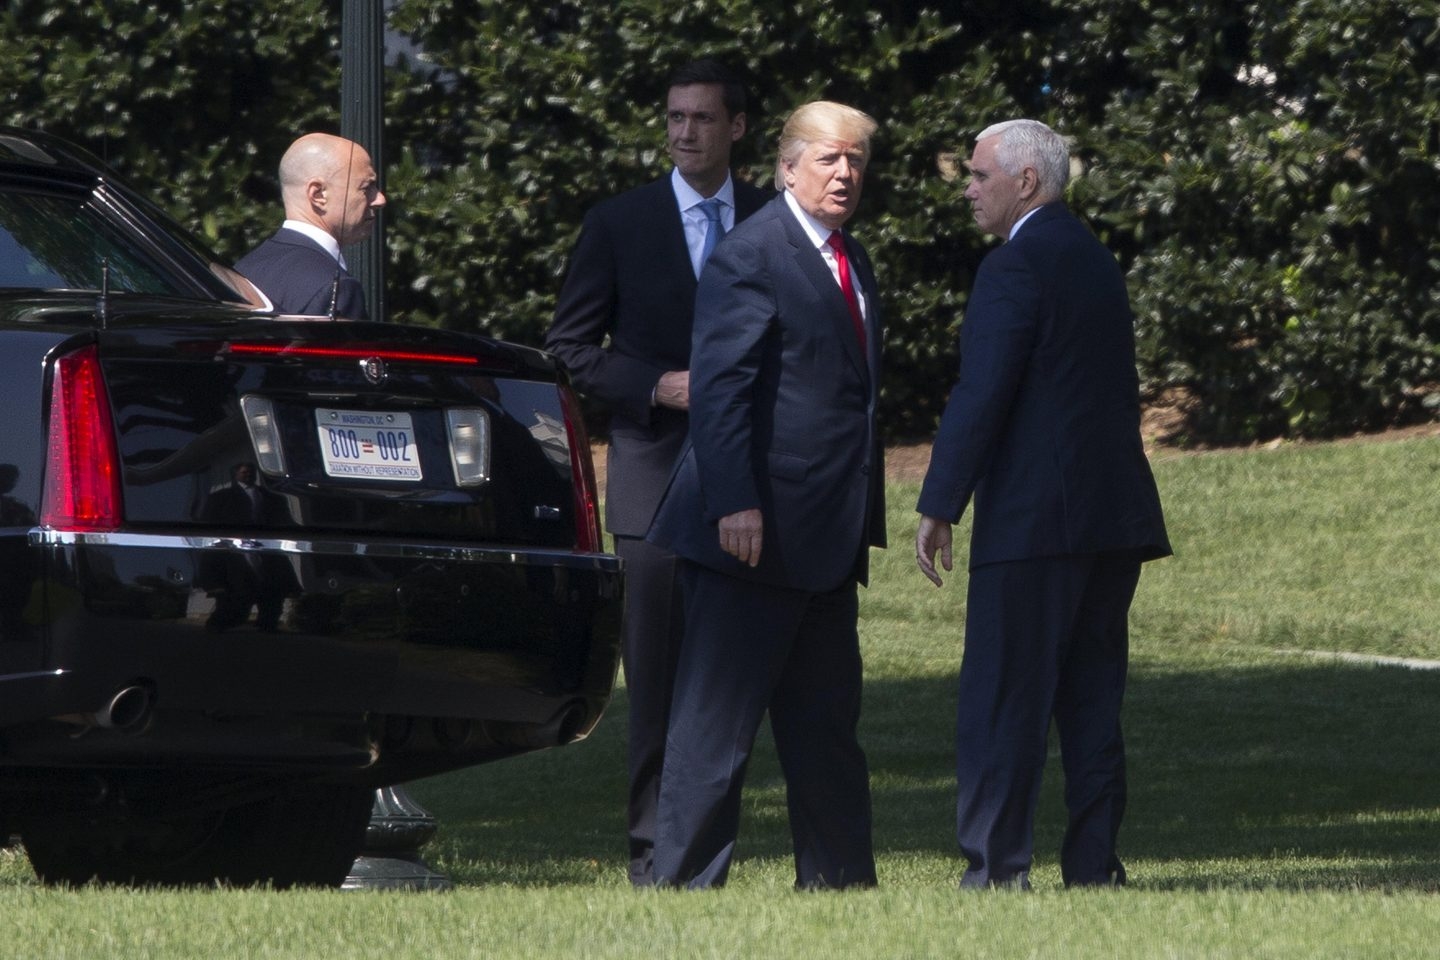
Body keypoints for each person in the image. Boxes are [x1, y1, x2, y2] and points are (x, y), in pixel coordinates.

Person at [914, 119, 1172, 889]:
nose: (967, 186)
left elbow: (982, 392)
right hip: (1111, 521)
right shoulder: (1095, 260)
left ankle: (995, 872)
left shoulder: (1015, 266)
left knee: (1003, 701)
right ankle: (1094, 867)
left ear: (1026, 181)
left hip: (1034, 523)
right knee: (1092, 704)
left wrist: (940, 502)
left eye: (980, 173)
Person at [647, 100, 886, 890]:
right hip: (749, 534)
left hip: (824, 538)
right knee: (714, 739)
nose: (844, 173)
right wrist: (734, 502)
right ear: (787, 167)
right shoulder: (753, 253)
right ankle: (682, 891)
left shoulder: (853, 262)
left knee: (827, 737)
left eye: (855, 160)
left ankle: (843, 891)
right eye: (827, 159)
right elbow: (722, 391)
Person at [544, 59, 769, 887]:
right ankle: (652, 858)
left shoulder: (775, 221)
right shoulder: (620, 224)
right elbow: (567, 350)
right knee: (659, 689)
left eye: (702, 119)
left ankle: (711, 854)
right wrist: (658, 384)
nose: (684, 132)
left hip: (754, 487)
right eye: (674, 117)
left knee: (735, 688)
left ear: (737, 127)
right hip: (651, 483)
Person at [235, 132, 385, 318]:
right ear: (318, 195)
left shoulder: (241, 271)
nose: (380, 199)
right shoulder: (336, 288)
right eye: (366, 188)